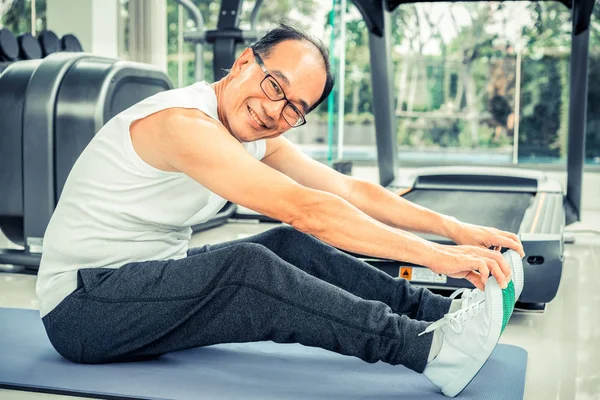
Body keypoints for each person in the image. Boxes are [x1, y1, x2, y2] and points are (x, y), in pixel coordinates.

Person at [36, 24, 526, 398]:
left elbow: (349, 190)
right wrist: (437, 257)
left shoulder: (252, 134)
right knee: (248, 270)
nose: (276, 111)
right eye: (275, 86)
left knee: (287, 247)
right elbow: (306, 208)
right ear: (244, 62)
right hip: (84, 308)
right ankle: (429, 348)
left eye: (295, 107)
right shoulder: (183, 124)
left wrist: (456, 229)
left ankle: (439, 313)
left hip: (144, 284)